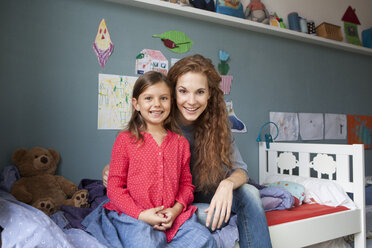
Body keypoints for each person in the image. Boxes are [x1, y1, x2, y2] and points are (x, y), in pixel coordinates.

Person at [102, 55, 272, 248]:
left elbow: (241, 170)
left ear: (209, 94)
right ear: (173, 92)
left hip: (201, 195)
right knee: (172, 223)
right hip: (173, 202)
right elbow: (132, 157)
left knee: (249, 192)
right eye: (183, 91)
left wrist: (226, 184)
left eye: (200, 92)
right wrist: (111, 168)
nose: (191, 101)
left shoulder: (217, 125)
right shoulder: (159, 118)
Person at [83, 71, 216, 248]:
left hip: (171, 217)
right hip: (134, 216)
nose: (157, 104)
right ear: (136, 104)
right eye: (148, 98)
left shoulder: (180, 143)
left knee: (204, 239)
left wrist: (175, 211)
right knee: (145, 243)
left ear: (171, 102)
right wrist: (141, 215)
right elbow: (114, 188)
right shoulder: (125, 140)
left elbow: (186, 185)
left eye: (163, 98)